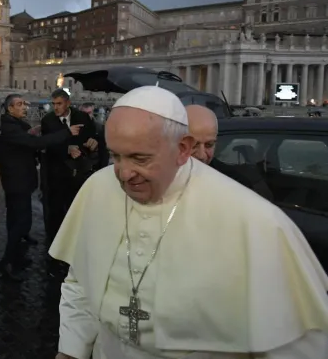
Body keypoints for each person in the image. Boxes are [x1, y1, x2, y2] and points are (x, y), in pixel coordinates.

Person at [50, 86, 328, 359]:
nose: (123, 174)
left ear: (183, 148)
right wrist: (71, 350)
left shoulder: (255, 220)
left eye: (140, 158)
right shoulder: (98, 188)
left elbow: (294, 343)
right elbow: (80, 282)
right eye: (115, 155)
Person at [0, 93, 83, 281]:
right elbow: (35, 143)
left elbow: (30, 141)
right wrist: (67, 132)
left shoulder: (18, 126)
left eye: (25, 103)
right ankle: (6, 262)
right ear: (10, 109)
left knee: (16, 221)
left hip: (20, 181)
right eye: (19, 104)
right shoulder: (9, 129)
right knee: (21, 222)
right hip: (16, 182)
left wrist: (34, 132)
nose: (25, 107)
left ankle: (17, 257)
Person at [41, 89, 97, 243]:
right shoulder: (47, 120)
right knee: (57, 207)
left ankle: (76, 236)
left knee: (77, 205)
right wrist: (67, 149)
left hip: (79, 170)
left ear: (68, 103)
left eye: (59, 104)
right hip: (57, 171)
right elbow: (47, 144)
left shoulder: (83, 117)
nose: (56, 107)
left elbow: (93, 135)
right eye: (53, 104)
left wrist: (93, 142)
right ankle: (56, 239)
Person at [186, 104, 273, 201]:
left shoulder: (235, 185)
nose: (201, 155)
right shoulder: (166, 180)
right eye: (193, 145)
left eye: (209, 145)